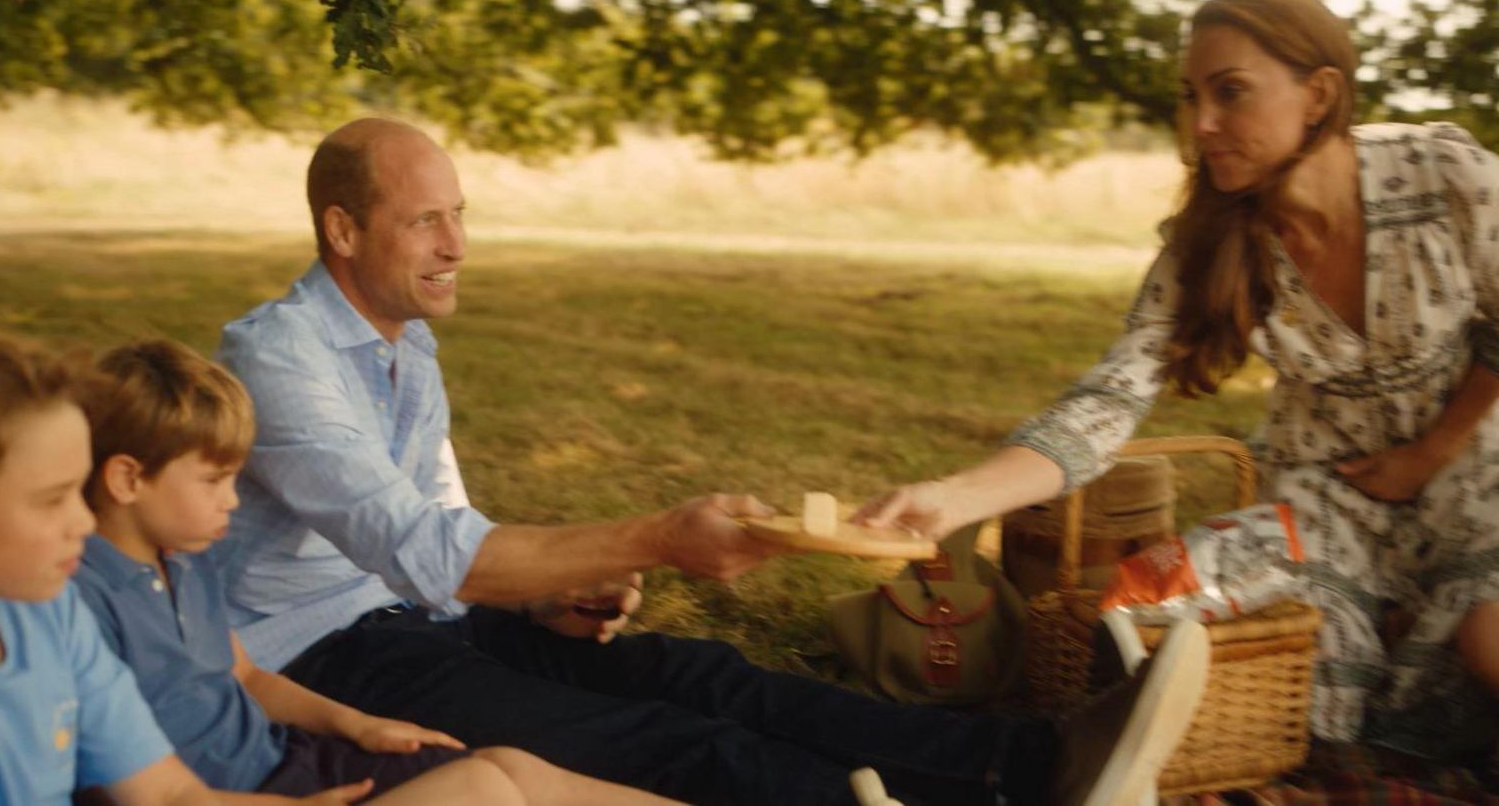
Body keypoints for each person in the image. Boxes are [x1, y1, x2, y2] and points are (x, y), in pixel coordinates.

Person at [215, 116, 1213, 804]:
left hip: (426, 619)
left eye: (460, 212)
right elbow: (431, 546)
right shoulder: (277, 357)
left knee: (707, 672)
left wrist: (543, 601)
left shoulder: (404, 346)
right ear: (342, 229)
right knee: (663, 738)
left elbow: (448, 540)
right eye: (426, 219)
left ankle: (1032, 761)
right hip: (316, 657)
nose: (458, 244)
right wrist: (657, 537)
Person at [855, 0, 1499, 762]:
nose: (1201, 125)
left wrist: (1429, 453)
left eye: (1231, 93)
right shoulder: (1209, 243)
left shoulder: (1443, 177)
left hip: (1478, 474)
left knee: (1487, 640)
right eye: (1191, 95)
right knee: (1152, 609)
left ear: (1320, 93)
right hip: (1325, 495)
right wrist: (956, 497)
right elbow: (1109, 399)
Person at [72, 337, 679, 806]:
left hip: (283, 761)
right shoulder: (81, 600)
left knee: (512, 768)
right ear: (128, 478)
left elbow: (246, 675)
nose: (233, 501)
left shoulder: (187, 557)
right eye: (212, 481)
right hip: (233, 795)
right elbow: (116, 782)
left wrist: (359, 725)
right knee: (483, 790)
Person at [0, 325, 220, 806]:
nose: (83, 522)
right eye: (51, 500)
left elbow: (168, 793)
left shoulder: (49, 610)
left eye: (79, 491)